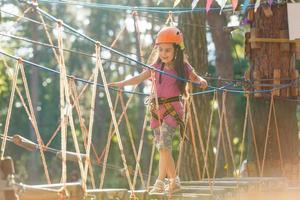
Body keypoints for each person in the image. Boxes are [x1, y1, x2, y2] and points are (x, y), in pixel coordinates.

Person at [108, 26, 207, 193]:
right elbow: (139, 78)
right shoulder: (156, 66)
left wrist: (202, 81)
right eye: (160, 50)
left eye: (167, 50)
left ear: (176, 50)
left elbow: (196, 77)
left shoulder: (183, 67)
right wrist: (121, 84)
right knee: (162, 149)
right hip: (156, 112)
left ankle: (171, 180)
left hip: (173, 110)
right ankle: (161, 182)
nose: (163, 53)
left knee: (163, 146)